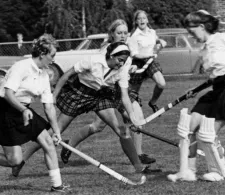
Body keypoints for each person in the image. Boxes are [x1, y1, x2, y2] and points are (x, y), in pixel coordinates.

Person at [0, 35, 70, 193]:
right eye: (52, 56)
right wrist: (24, 110)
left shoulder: (44, 74)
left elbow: (49, 106)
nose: (53, 60)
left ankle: (57, 186)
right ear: (42, 54)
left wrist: (57, 131)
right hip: (5, 110)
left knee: (48, 142)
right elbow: (8, 94)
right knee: (15, 160)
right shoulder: (21, 67)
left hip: (24, 109)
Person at [167, 10, 225, 182]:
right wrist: (196, 89)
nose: (191, 37)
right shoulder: (204, 50)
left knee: (207, 133)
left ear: (202, 26)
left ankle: (219, 171)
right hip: (218, 88)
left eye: (191, 32)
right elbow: (214, 77)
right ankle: (187, 171)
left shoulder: (224, 39)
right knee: (188, 127)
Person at [60, 19, 157, 165]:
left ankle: (138, 154)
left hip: (121, 88)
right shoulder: (107, 50)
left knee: (135, 117)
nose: (123, 35)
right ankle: (70, 145)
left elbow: (123, 68)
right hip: (106, 92)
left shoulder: (127, 47)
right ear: (112, 34)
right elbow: (103, 76)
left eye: (125, 33)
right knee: (98, 126)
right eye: (119, 33)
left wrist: (128, 69)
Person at [127, 10, 167, 113]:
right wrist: (149, 55)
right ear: (136, 21)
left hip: (150, 62)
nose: (142, 20)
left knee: (161, 84)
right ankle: (132, 113)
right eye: (139, 19)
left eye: (144, 18)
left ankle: (153, 102)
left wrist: (160, 43)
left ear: (147, 20)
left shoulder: (152, 32)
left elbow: (157, 41)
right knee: (132, 94)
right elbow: (135, 54)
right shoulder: (133, 36)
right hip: (138, 63)